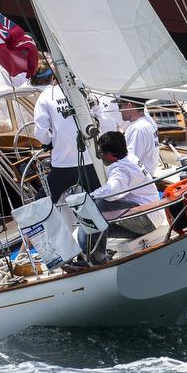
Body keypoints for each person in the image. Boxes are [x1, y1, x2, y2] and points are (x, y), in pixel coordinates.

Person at [75, 130, 160, 264]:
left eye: (101, 154)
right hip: (151, 218)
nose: (100, 157)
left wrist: (87, 197)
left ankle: (95, 258)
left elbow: (112, 192)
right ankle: (91, 255)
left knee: (97, 206)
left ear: (111, 156)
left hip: (146, 220)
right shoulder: (130, 158)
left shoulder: (121, 169)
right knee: (100, 224)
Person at [33, 81, 99, 202]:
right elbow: (102, 119)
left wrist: (48, 142)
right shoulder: (86, 91)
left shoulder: (46, 96)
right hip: (91, 161)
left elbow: (40, 131)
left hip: (63, 164)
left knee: (42, 202)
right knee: (100, 201)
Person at [118, 93, 160, 174]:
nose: (119, 110)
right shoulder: (149, 122)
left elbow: (130, 162)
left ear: (129, 106)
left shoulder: (137, 129)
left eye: (120, 106)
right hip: (148, 176)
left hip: (140, 182)